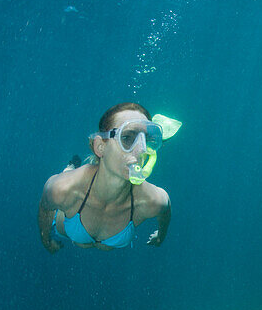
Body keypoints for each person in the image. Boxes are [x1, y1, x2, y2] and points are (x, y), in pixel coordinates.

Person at [38, 103, 172, 252]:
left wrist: (160, 236)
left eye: (144, 140)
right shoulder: (61, 189)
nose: (141, 150)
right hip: (68, 217)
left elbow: (165, 214)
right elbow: (45, 209)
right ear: (100, 147)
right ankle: (70, 167)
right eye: (127, 137)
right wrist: (47, 241)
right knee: (66, 176)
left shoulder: (154, 201)